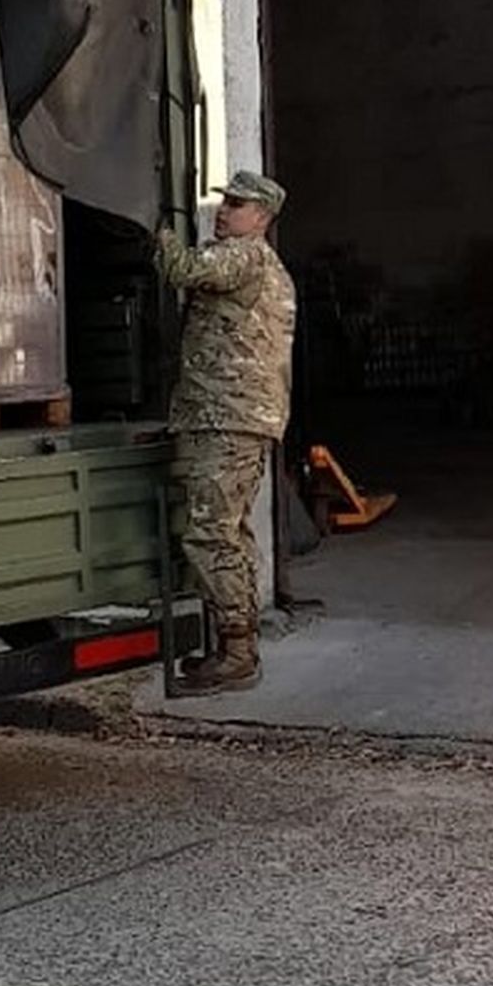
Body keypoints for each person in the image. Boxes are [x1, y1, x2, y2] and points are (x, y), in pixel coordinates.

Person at [155, 171, 296, 694]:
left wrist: (156, 227)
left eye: (236, 205)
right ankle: (235, 646)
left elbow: (182, 267)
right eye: (224, 202)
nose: (224, 211)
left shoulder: (244, 255)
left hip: (228, 416)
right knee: (229, 533)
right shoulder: (258, 261)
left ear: (260, 217)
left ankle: (237, 652)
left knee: (211, 532)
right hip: (233, 417)